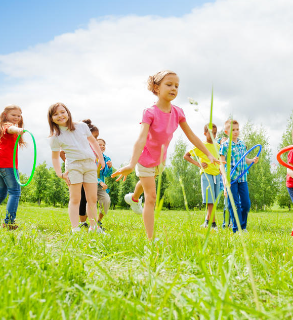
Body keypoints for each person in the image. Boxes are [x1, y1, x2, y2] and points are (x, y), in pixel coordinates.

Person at [112, 70, 217, 239]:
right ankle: (150, 239)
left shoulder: (178, 112)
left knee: (148, 182)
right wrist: (131, 164)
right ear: (156, 87)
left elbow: (191, 136)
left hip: (160, 159)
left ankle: (133, 197)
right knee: (151, 196)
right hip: (145, 157)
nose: (173, 88)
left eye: (176, 85)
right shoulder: (150, 112)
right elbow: (141, 139)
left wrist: (209, 155)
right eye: (169, 84)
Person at [48, 103, 105, 234]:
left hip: (90, 164)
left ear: (67, 112)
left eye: (62, 112)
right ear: (51, 119)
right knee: (75, 198)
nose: (60, 116)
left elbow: (93, 142)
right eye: (55, 114)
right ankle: (75, 228)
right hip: (73, 167)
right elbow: (55, 157)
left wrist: (100, 159)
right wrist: (59, 173)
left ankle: (94, 227)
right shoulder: (55, 137)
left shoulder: (82, 126)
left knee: (92, 198)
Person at [219, 119, 259, 233]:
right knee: (234, 204)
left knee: (246, 204)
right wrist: (225, 180)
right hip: (231, 179)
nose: (236, 132)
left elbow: (244, 159)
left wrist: (252, 160)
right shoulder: (225, 145)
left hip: (242, 178)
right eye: (233, 130)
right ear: (226, 132)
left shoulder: (242, 144)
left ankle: (243, 226)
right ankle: (237, 229)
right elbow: (221, 164)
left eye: (237, 129)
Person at [183, 123, 221, 229]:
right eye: (210, 133)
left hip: (217, 175)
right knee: (210, 200)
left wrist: (221, 169)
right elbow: (186, 156)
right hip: (206, 174)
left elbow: (220, 160)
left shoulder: (218, 146)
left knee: (214, 201)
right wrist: (198, 164)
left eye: (215, 133)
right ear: (205, 134)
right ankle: (213, 225)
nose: (213, 135)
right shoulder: (201, 146)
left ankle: (206, 222)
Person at [96, 138, 113, 227]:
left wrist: (110, 167)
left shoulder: (106, 158)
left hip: (101, 186)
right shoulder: (91, 157)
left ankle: (98, 221)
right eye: (99, 144)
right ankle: (86, 222)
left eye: (103, 145)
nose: (102, 146)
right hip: (89, 184)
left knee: (106, 201)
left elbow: (107, 174)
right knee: (89, 203)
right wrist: (100, 182)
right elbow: (90, 173)